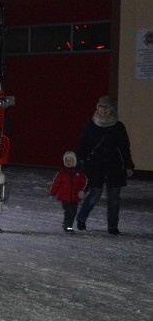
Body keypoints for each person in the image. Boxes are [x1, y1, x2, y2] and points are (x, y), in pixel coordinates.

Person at [75, 96, 135, 235]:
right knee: (94, 194)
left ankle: (113, 226)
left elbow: (124, 147)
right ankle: (81, 218)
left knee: (114, 198)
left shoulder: (118, 127)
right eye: (101, 106)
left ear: (112, 109)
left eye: (107, 107)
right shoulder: (91, 125)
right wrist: (80, 160)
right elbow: (82, 144)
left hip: (114, 166)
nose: (103, 110)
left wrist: (128, 165)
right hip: (95, 166)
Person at [49, 151, 88, 233]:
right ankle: (68, 226)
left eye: (70, 161)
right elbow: (56, 184)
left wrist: (82, 191)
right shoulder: (62, 173)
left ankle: (67, 224)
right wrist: (52, 194)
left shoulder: (79, 173)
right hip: (65, 197)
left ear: (74, 162)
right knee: (69, 211)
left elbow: (84, 183)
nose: (68, 163)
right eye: (66, 161)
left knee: (73, 212)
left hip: (75, 197)